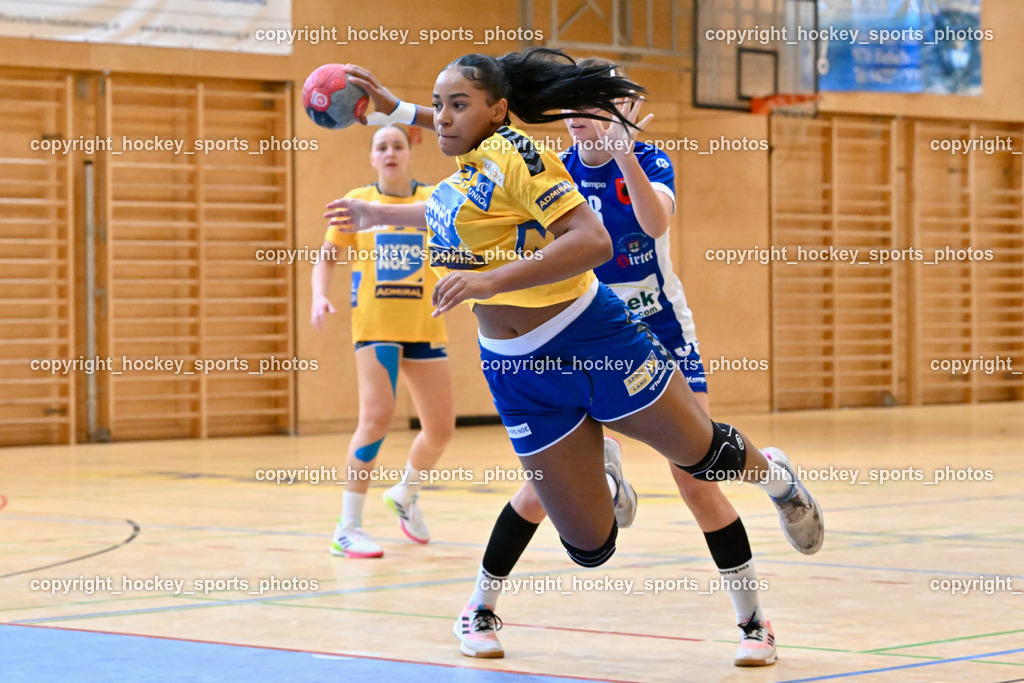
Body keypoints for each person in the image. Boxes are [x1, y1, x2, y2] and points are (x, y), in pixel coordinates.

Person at [327, 49, 823, 664]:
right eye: (439, 107)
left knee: (703, 461)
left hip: (596, 336)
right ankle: (599, 470)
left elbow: (597, 238)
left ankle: (774, 490)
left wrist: (490, 281)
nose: (443, 118)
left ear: (498, 110)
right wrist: (390, 120)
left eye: (458, 104)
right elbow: (465, 156)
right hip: (518, 367)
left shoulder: (529, 155)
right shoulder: (467, 172)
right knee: (590, 544)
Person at [443, 58, 781, 666]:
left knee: (696, 474)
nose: (576, 119)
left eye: (592, 107)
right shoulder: (551, 168)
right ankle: (483, 603)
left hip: (656, 330)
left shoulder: (648, 163)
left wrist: (625, 151)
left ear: (623, 111)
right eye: (570, 108)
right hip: (577, 335)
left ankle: (755, 614)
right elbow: (480, 162)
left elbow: (652, 223)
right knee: (544, 493)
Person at [311, 124, 454, 559]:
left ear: (411, 151)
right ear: (372, 157)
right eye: (381, 146)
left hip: (425, 324)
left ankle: (406, 494)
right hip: (375, 326)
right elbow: (327, 257)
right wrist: (319, 295)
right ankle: (347, 526)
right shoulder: (358, 202)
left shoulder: (434, 199)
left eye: (397, 145)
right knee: (376, 417)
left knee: (441, 430)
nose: (390, 152)